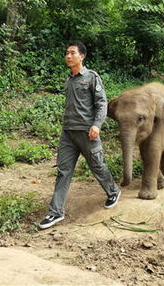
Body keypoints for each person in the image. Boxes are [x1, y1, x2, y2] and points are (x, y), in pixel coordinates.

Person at [39, 41, 121, 229]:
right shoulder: (69, 80)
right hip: (68, 133)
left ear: (82, 56)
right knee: (63, 171)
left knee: (97, 165)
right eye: (66, 53)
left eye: (72, 53)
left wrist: (97, 125)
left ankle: (113, 191)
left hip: (87, 132)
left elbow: (101, 103)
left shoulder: (91, 77)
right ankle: (55, 212)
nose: (68, 56)